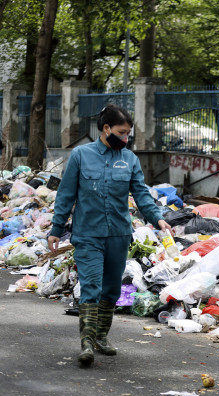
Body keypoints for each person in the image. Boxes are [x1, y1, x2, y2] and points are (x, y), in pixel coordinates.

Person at [47, 104, 173, 367]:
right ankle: (86, 343)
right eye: (121, 132)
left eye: (128, 133)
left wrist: (159, 218)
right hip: (88, 235)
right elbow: (66, 195)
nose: (125, 138)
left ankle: (101, 337)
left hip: (118, 234)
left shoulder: (129, 159)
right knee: (91, 287)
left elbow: (141, 195)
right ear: (106, 129)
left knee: (112, 290)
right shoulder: (81, 155)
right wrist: (56, 229)